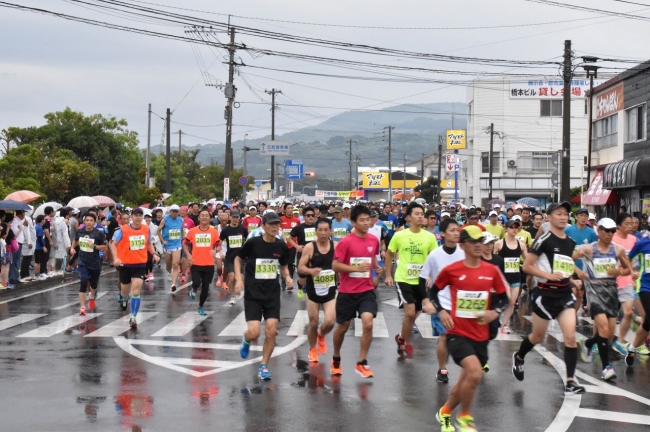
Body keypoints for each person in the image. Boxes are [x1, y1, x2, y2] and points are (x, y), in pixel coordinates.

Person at [425, 226, 508, 432]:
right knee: (475, 373)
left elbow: (504, 298)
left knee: (466, 382)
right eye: (474, 241)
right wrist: (442, 312)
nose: (480, 245)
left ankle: (445, 412)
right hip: (457, 333)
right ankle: (465, 417)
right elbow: (433, 292)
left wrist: (494, 312)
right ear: (463, 246)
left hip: (480, 334)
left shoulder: (491, 270)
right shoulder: (452, 270)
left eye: (482, 240)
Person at [512, 202, 586, 394]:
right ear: (549, 217)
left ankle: (570, 381)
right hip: (544, 294)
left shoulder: (569, 242)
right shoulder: (543, 239)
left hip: (564, 294)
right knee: (537, 336)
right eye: (559, 213)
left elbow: (564, 267)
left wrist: (572, 281)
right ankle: (519, 357)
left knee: (570, 337)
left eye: (566, 214)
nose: (563, 217)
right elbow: (527, 266)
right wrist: (548, 276)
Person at [574, 218, 634, 380]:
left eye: (612, 231)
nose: (610, 234)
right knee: (603, 329)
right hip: (593, 291)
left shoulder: (618, 250)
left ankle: (588, 343)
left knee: (607, 334)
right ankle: (606, 367)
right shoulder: (588, 249)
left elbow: (629, 269)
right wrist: (578, 273)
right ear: (598, 231)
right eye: (606, 231)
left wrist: (618, 273)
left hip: (611, 292)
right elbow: (568, 258)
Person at [236, 211, 292, 380]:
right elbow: (238, 259)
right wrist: (239, 279)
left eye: (277, 224)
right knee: (254, 333)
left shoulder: (281, 245)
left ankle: (263, 366)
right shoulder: (253, 243)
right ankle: (246, 340)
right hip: (253, 293)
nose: (275, 227)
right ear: (263, 226)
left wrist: (288, 277)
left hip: (272, 294)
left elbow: (283, 266)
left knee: (271, 331)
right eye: (272, 224)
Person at [330, 205, 383, 378]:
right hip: (347, 291)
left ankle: (361, 362)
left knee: (368, 322)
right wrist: (356, 268)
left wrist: (377, 268)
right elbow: (335, 265)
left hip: (366, 290)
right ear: (353, 222)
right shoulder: (346, 242)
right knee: (342, 327)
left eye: (368, 219)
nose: (366, 223)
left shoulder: (373, 240)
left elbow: (372, 259)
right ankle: (336, 357)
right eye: (362, 220)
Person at [385, 202, 437, 359]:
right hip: (403, 278)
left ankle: (401, 336)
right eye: (417, 213)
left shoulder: (429, 237)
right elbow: (389, 253)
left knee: (418, 311)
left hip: (421, 279)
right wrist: (388, 275)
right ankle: (406, 342)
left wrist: (430, 276)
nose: (421, 216)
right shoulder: (400, 235)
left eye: (422, 213)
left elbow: (433, 258)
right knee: (410, 313)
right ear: (408, 218)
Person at [420, 218, 465, 383]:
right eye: (452, 230)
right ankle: (442, 368)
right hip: (442, 302)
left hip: (463, 303)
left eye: (457, 230)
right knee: (444, 337)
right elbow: (422, 279)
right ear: (443, 234)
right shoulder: (435, 255)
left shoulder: (464, 252)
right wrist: (426, 301)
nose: (455, 233)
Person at [110, 208, 159, 327]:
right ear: (131, 217)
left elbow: (148, 244)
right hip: (125, 265)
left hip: (140, 264)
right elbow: (113, 244)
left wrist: (153, 254)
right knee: (126, 292)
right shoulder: (123, 229)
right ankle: (124, 296)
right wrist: (115, 258)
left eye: (140, 215)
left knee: (136, 291)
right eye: (136, 215)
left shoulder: (146, 230)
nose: (138, 217)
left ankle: (133, 317)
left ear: (142, 217)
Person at [298, 218, 337, 364]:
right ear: (315, 232)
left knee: (330, 321)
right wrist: (311, 270)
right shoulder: (310, 247)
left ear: (331, 231)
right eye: (320, 230)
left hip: (330, 289)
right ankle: (312, 349)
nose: (323, 233)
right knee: (313, 322)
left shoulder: (336, 246)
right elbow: (300, 267)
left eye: (326, 230)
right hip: (313, 290)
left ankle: (322, 335)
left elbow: (342, 264)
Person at [183, 209, 221, 316]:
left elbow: (218, 244)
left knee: (206, 287)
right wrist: (188, 255)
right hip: (196, 263)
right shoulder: (193, 231)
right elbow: (185, 244)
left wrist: (216, 250)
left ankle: (200, 307)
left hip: (209, 264)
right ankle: (193, 289)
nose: (204, 217)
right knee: (196, 282)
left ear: (210, 218)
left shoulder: (213, 232)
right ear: (199, 218)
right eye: (202, 216)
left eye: (206, 216)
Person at [610, 212, 638, 354]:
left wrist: (633, 274)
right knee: (608, 315)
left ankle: (619, 341)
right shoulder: (611, 238)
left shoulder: (633, 239)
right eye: (626, 224)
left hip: (626, 279)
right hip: (611, 280)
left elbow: (631, 260)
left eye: (631, 223)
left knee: (627, 313)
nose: (630, 226)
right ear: (619, 225)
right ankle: (598, 339)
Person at [494, 219, 528, 334]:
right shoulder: (499, 243)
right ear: (506, 229)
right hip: (502, 278)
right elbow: (492, 259)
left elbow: (528, 260)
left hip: (515, 277)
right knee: (502, 301)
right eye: (511, 227)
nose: (514, 229)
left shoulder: (522, 245)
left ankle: (504, 325)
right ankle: (495, 320)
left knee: (512, 302)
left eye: (516, 227)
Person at [70, 213, 107, 315]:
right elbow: (75, 240)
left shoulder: (98, 233)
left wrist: (94, 246)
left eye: (91, 220)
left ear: (94, 222)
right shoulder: (80, 231)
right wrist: (72, 248)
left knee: (94, 285)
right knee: (83, 281)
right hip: (82, 261)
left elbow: (105, 247)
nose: (89, 222)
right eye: (87, 220)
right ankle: (82, 307)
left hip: (95, 262)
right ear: (84, 221)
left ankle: (91, 297)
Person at [623, 234, 650, 364]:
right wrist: (632, 271)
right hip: (645, 286)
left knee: (648, 323)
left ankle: (632, 348)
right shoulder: (642, 243)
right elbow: (627, 258)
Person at [219, 210, 248, 305]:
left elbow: (247, 241)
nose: (235, 219)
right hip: (230, 257)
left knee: (239, 278)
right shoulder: (226, 230)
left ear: (239, 218)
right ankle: (232, 296)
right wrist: (220, 252)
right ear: (230, 218)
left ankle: (234, 287)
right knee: (231, 277)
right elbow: (218, 242)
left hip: (240, 258)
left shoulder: (243, 229)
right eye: (233, 217)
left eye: (237, 217)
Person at [288, 207, 318, 297]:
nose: (311, 217)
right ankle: (300, 285)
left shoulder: (317, 226)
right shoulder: (299, 227)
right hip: (303, 254)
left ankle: (310, 291)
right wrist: (297, 246)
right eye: (308, 215)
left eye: (312, 215)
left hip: (315, 254)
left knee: (314, 274)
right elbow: (289, 238)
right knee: (303, 277)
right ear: (304, 216)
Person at [158, 204, 184, 292]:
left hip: (177, 245)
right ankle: (170, 271)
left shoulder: (180, 220)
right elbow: (158, 230)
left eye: (176, 212)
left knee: (176, 264)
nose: (175, 213)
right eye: (173, 211)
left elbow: (182, 230)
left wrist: (183, 239)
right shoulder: (165, 219)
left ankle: (173, 284)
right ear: (170, 212)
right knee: (168, 266)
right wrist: (162, 240)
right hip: (167, 245)